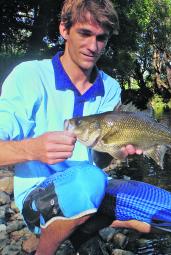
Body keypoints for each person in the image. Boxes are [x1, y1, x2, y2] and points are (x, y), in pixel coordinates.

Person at [0, 0, 147, 254]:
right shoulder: (29, 77)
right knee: (87, 180)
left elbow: (98, 162)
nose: (93, 46)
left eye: (101, 38)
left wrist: (118, 149)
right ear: (64, 30)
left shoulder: (110, 87)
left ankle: (86, 229)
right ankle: (45, 248)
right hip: (38, 200)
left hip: (92, 188)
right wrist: (32, 149)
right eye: (85, 33)